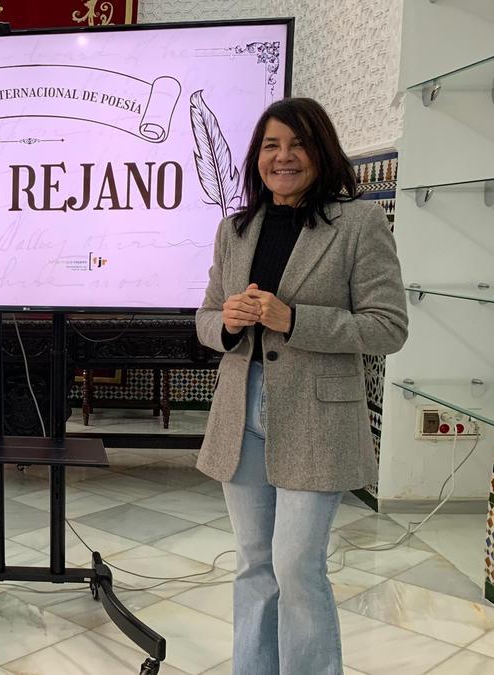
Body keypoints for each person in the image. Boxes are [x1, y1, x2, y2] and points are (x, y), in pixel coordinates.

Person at [195, 97, 407, 674]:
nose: (283, 157)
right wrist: (229, 323)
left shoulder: (358, 223)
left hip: (318, 415)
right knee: (252, 562)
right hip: (242, 410)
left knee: (296, 566)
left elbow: (388, 327)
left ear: (322, 152)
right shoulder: (234, 229)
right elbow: (206, 318)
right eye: (271, 145)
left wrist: (294, 319)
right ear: (256, 158)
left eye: (297, 144)